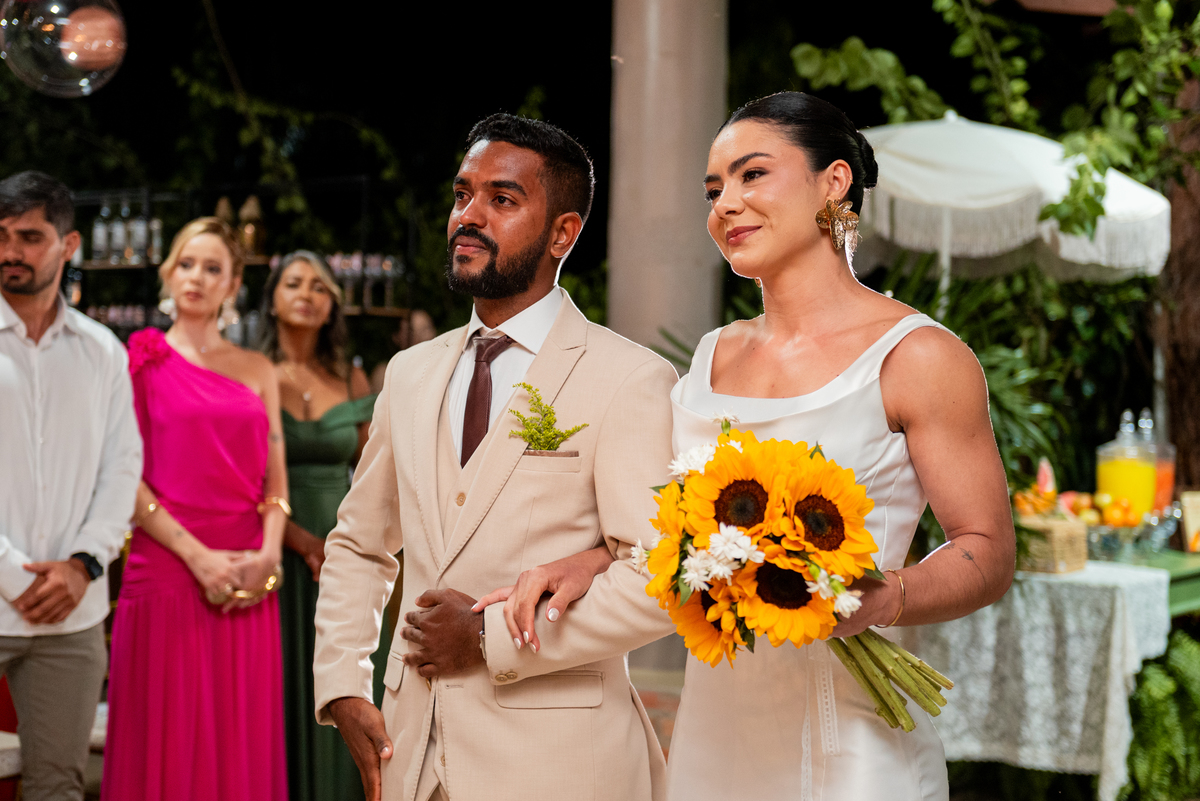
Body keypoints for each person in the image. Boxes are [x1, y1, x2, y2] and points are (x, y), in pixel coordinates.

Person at [479, 92, 1016, 800]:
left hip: (850, 743)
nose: (725, 204)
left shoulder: (917, 357)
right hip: (715, 735)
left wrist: (887, 597)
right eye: (713, 189)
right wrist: (589, 560)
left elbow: (988, 547)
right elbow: (673, 520)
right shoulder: (711, 355)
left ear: (834, 182)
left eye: (752, 175)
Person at [311, 113, 679, 801]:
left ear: (563, 232)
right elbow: (361, 544)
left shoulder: (630, 377)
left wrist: (486, 639)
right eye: (461, 195)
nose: (468, 216)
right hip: (412, 750)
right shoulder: (411, 373)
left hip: (559, 764)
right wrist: (340, 683)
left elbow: (658, 578)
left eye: (502, 200)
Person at [102, 217, 288, 801]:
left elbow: (273, 479)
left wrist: (270, 554)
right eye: (187, 264)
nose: (197, 278)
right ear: (168, 273)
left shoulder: (259, 370)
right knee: (165, 735)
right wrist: (196, 557)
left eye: (213, 269)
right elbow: (123, 474)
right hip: (166, 563)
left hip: (247, 572)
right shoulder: (138, 359)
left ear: (233, 284)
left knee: (239, 736)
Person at [0, 171, 141, 801]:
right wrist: (17, 576)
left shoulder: (103, 353)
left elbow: (122, 467)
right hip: (13, 593)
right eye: (1, 236)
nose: (11, 251)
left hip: (73, 613)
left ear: (70, 244)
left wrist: (84, 565)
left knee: (57, 786)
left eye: (29, 236)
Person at [257, 250, 377, 801]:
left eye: (320, 287)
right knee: (273, 685)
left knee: (340, 683)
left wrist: (348, 546)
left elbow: (376, 474)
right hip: (269, 547)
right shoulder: (249, 373)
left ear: (332, 306)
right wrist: (299, 540)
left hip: (341, 551)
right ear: (273, 298)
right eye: (294, 283)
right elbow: (238, 475)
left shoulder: (351, 379)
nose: (307, 293)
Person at [369, 309, 437, 395]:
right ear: (396, 337)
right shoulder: (385, 373)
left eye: (425, 329)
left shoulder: (442, 368)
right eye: (412, 331)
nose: (420, 336)